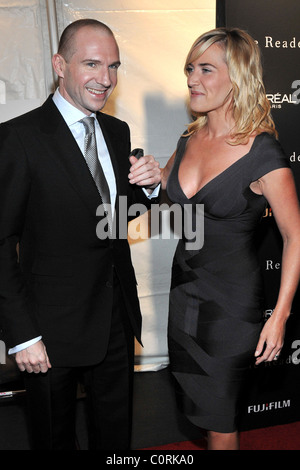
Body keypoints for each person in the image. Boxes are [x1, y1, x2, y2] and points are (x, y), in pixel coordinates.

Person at [0, 19, 160, 450]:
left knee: (116, 436)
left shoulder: (116, 131)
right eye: (91, 64)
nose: (105, 79)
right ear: (59, 64)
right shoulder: (19, 137)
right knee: (53, 438)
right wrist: (22, 334)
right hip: (49, 332)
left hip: (115, 318)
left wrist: (148, 189)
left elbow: (112, 219)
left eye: (113, 66)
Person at [161, 27, 300, 450]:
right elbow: (166, 196)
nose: (191, 79)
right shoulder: (189, 138)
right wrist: (149, 180)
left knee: (220, 420)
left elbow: (295, 236)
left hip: (230, 309)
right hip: (183, 298)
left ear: (236, 76)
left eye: (205, 69)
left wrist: (279, 317)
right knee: (201, 416)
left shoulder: (262, 152)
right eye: (190, 68)